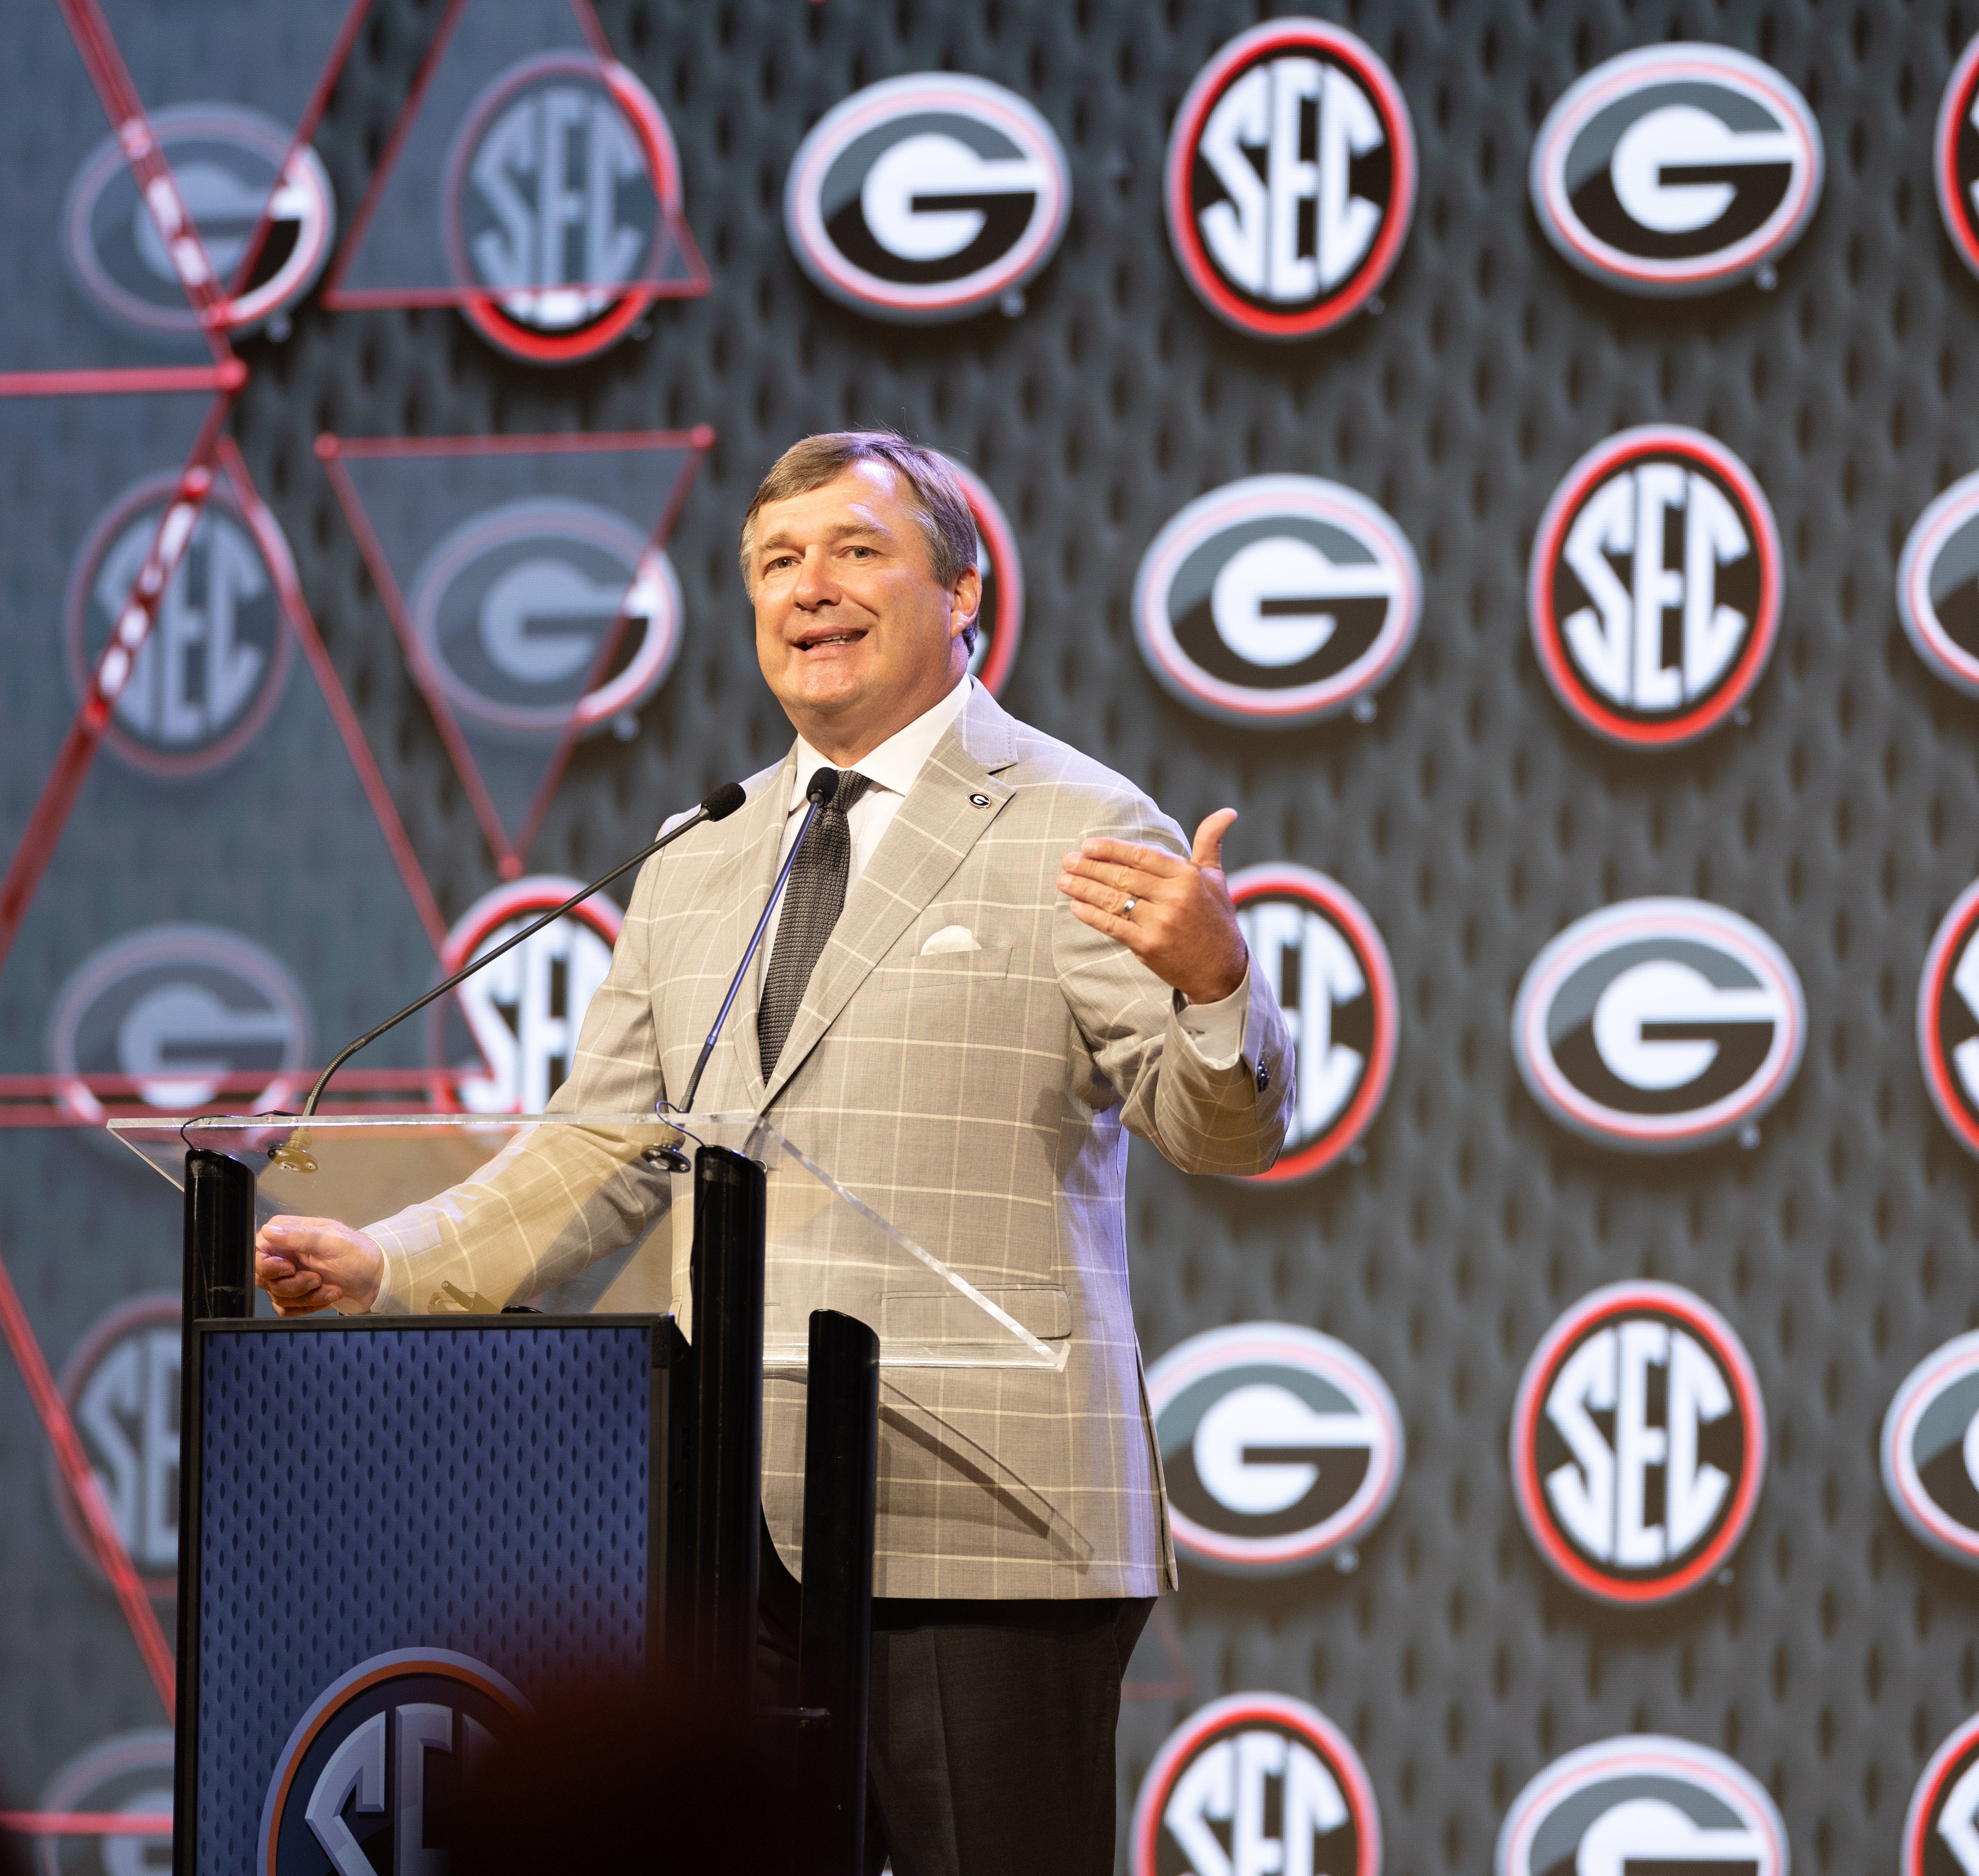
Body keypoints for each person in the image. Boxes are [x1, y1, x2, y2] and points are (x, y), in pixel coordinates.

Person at [255, 430, 1296, 1873]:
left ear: (962, 591)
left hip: (981, 1529)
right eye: (777, 564)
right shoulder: (698, 859)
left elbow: (1218, 1128)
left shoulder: (1077, 821)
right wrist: (386, 1261)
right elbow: (597, 1152)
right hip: (724, 1538)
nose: (812, 587)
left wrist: (1213, 984)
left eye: (859, 551)